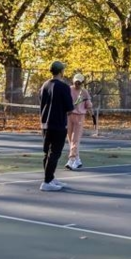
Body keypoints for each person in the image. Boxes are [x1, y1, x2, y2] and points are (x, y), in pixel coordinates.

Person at [38, 61, 74, 191]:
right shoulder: (64, 87)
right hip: (58, 124)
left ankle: (50, 178)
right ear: (61, 71)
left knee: (47, 153)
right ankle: (47, 182)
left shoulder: (44, 85)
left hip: (45, 124)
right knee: (54, 153)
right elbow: (69, 109)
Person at [65, 73, 93, 170]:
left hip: (80, 117)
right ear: (73, 81)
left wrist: (92, 114)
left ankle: (72, 159)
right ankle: (77, 159)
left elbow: (88, 105)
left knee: (75, 139)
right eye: (76, 82)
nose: (77, 84)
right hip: (69, 116)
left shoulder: (84, 92)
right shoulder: (68, 89)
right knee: (70, 139)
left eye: (79, 82)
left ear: (82, 82)